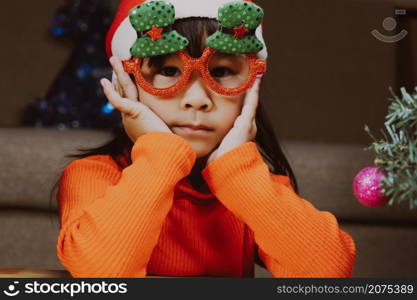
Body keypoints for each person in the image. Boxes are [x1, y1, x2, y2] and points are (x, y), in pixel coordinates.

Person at [56, 0, 356, 278]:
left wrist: (236, 171)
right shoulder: (94, 177)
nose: (197, 100)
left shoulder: (249, 183)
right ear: (126, 85)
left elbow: (328, 275)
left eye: (222, 71)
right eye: (170, 70)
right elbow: (101, 276)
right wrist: (160, 155)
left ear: (251, 88)